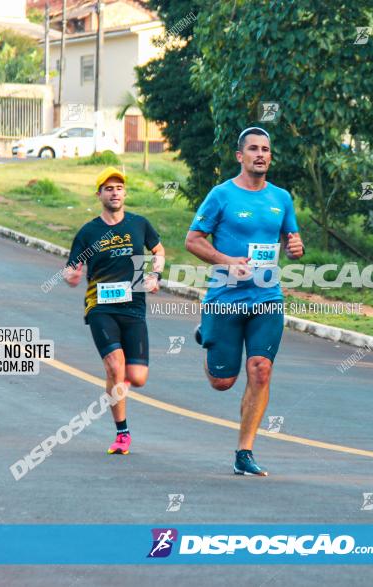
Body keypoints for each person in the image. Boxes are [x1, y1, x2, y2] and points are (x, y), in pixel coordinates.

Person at [185, 127, 304, 476]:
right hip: (225, 297)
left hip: (267, 297)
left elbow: (291, 240)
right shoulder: (221, 195)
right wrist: (227, 262)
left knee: (261, 369)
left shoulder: (281, 198)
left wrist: (296, 249)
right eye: (253, 149)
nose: (260, 155)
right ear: (240, 156)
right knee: (223, 382)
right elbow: (193, 240)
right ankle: (205, 334)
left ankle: (244, 452)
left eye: (266, 149)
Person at [63, 167, 164, 455]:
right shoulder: (89, 232)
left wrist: (155, 276)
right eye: (108, 188)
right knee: (115, 366)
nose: (115, 192)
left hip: (134, 307)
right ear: (99, 195)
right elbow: (72, 267)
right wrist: (71, 275)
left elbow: (159, 251)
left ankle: (116, 383)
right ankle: (122, 434)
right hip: (101, 307)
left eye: (119, 187)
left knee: (138, 377)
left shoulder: (139, 224)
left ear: (125, 193)